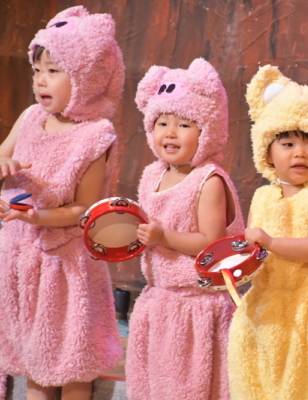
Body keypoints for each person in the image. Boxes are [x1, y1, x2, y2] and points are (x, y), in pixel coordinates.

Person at [0, 6, 125, 400]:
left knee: (72, 361)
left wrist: (38, 215)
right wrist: (4, 163)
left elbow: (84, 209)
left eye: (54, 70)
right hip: (21, 256)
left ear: (86, 78)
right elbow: (3, 155)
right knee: (36, 361)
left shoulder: (94, 136)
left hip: (64, 264)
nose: (41, 79)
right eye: (37, 70)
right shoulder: (30, 117)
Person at [228, 65, 308, 400]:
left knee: (305, 385)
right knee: (260, 383)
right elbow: (253, 250)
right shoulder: (263, 195)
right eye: (287, 143)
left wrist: (271, 242)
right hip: (266, 302)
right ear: (268, 152)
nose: (300, 153)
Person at [126, 58, 244, 400]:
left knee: (188, 388)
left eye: (184, 124)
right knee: (153, 387)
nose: (170, 132)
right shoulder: (153, 174)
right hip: (159, 300)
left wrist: (164, 237)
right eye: (162, 122)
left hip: (196, 306)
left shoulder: (208, 180)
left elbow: (212, 243)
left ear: (207, 131)